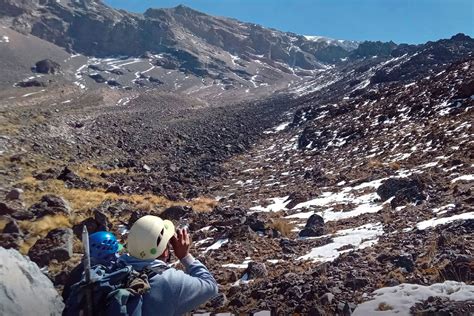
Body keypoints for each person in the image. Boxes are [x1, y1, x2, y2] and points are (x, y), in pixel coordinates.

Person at [118, 215, 218, 315]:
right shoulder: (170, 281)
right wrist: (185, 256)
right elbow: (210, 286)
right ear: (164, 252)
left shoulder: (115, 267)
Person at [62, 231, 123, 301]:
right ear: (104, 256)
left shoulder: (79, 270)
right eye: (112, 255)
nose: (117, 256)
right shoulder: (86, 277)